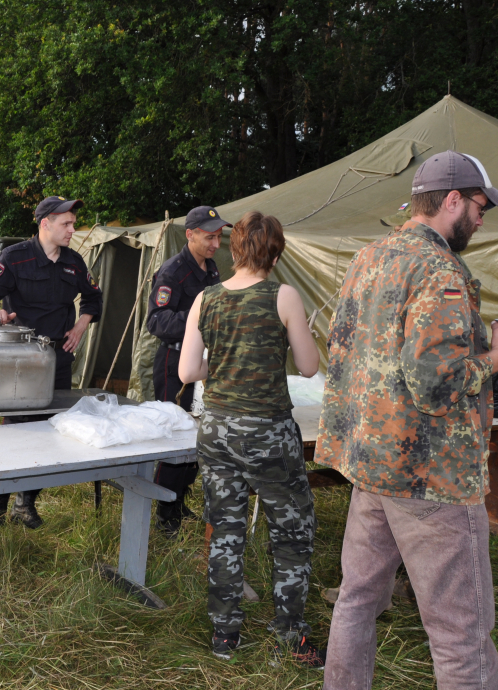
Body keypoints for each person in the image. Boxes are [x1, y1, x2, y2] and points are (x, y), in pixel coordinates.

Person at [315, 150, 498, 689]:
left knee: (357, 601)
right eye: (481, 207)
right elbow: (435, 382)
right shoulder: (439, 269)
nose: (483, 219)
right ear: (452, 199)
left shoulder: (370, 257)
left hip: (371, 464)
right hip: (429, 475)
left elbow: (344, 350)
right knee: (461, 631)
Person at [178, 211, 324, 666]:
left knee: (226, 531)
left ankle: (224, 636)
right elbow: (308, 366)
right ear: (275, 251)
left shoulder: (206, 298)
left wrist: (221, 367)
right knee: (292, 533)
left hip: (217, 428)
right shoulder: (284, 296)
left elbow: (187, 372)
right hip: (268, 433)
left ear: (233, 248)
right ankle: (289, 635)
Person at [0, 196, 103, 528]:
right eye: (66, 224)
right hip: (20, 360)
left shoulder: (74, 262)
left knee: (49, 431)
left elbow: (93, 298)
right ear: (44, 223)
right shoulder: (14, 257)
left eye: (73, 223)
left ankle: (25, 503)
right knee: (14, 433)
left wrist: (79, 326)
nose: (72, 229)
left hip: (58, 360)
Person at [145, 205, 231, 535]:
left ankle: (179, 500)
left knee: (195, 436)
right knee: (175, 436)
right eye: (210, 237)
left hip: (200, 366)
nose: (216, 245)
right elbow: (156, 321)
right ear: (190, 234)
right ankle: (165, 510)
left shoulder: (210, 269)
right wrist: (198, 322)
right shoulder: (172, 272)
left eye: (219, 237)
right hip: (173, 365)